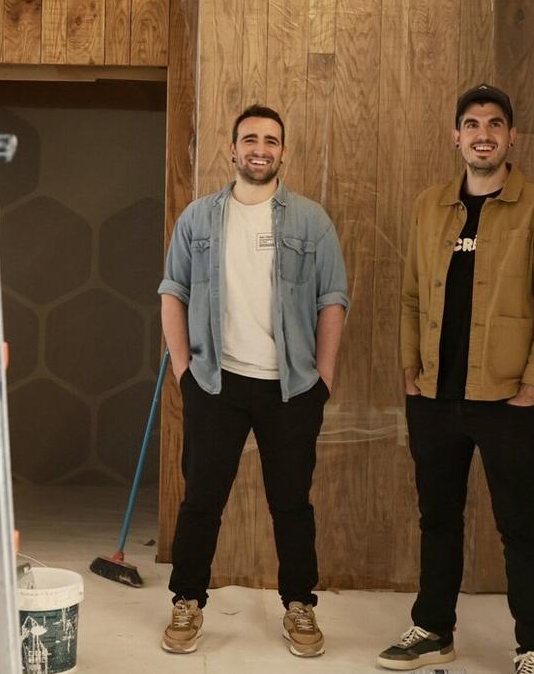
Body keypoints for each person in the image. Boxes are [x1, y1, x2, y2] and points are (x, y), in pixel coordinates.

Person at [376, 84, 534, 674]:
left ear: (511, 137)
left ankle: (533, 645)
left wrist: (532, 385)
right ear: (456, 136)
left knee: (520, 525)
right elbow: (411, 295)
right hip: (435, 395)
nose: (482, 134)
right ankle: (434, 629)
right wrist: (411, 373)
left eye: (494, 124)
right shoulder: (429, 205)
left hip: (508, 399)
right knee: (438, 518)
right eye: (471, 123)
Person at [156, 104, 349, 658]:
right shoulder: (199, 218)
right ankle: (187, 600)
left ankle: (299, 604)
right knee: (201, 499)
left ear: (283, 151)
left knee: (292, 502)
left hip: (290, 387)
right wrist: (183, 370)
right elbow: (174, 289)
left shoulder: (311, 220)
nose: (260, 148)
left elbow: (332, 299)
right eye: (250, 139)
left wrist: (324, 378)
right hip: (215, 382)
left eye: (270, 140)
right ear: (232, 149)